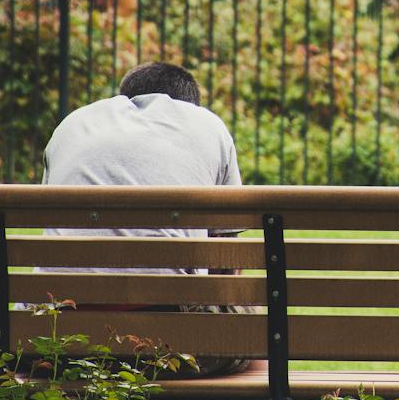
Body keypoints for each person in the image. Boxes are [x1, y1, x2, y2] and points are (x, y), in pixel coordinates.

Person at [42, 62, 251, 379]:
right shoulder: (206, 125)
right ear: (188, 104)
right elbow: (224, 265)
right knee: (255, 326)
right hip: (166, 348)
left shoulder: (72, 125)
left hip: (56, 341)